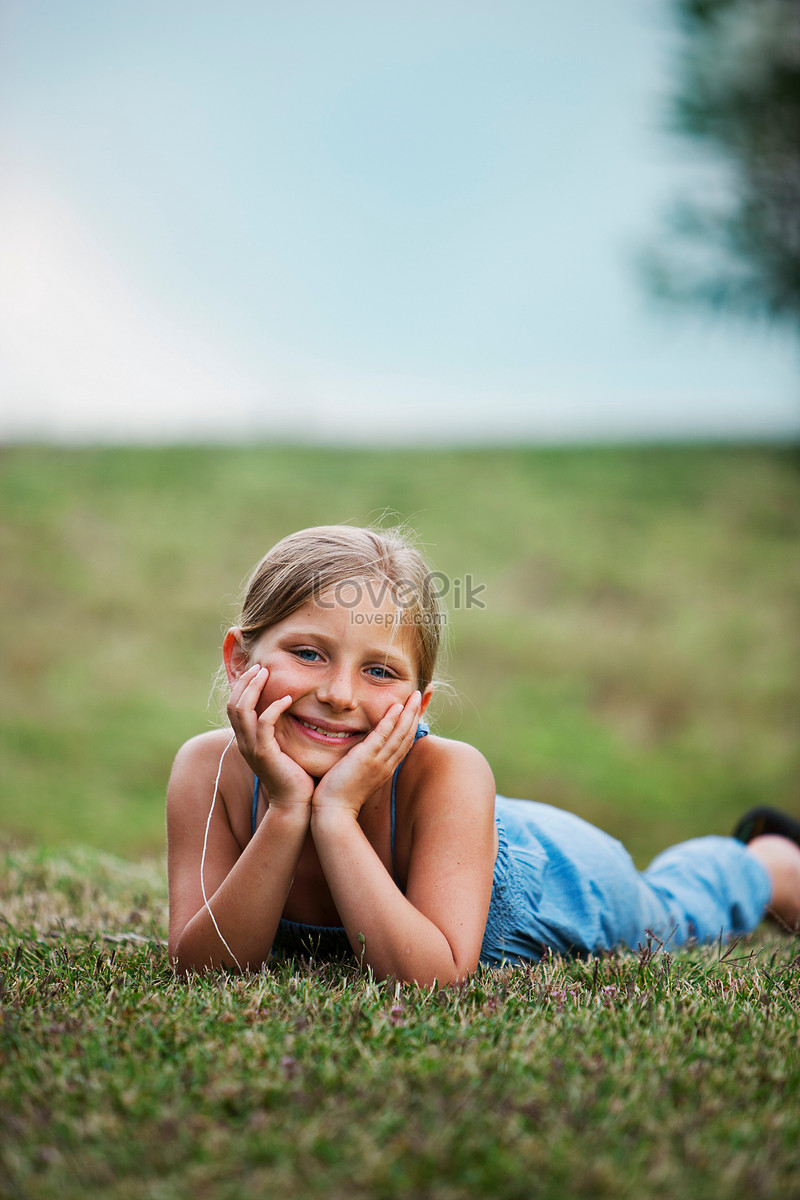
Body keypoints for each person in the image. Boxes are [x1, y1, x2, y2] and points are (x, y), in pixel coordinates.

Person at [167, 525, 800, 984]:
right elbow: (202, 967)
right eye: (308, 653)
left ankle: (770, 866)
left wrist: (334, 814)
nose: (338, 694)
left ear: (418, 702)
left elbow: (429, 981)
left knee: (676, 912)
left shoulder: (450, 771)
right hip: (466, 830)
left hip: (563, 878)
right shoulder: (208, 771)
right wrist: (286, 811)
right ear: (239, 659)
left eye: (380, 671)